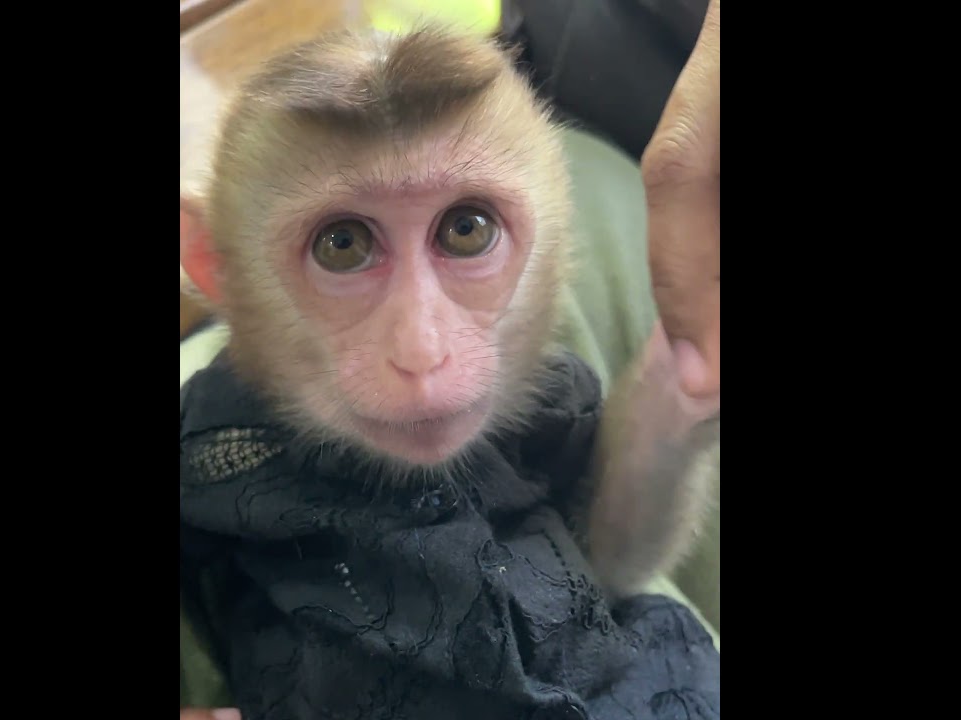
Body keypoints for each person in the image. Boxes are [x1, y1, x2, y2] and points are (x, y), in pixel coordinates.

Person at [180, 1, 718, 716]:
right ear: (214, 264)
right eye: (342, 244)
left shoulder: (556, 405)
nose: (421, 351)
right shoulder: (208, 453)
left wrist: (672, 404)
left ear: (556, 231)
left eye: (466, 231)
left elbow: (606, 571)